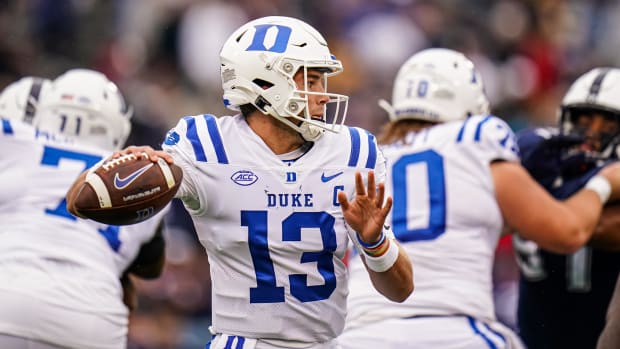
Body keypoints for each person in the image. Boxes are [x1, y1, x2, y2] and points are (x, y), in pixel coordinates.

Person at [66, 16, 413, 349]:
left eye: (321, 81)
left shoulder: (353, 152)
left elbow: (401, 290)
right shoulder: (207, 146)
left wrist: (374, 242)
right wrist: (119, 165)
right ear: (264, 84)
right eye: (309, 80)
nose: (322, 95)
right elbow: (81, 199)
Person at [338, 48, 620, 349]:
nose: (590, 135)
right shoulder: (476, 140)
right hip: (455, 329)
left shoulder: (371, 158)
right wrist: (604, 183)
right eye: (583, 122)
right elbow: (568, 231)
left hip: (358, 332)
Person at [0, 69, 167, 349]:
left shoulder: (13, 137)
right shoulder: (139, 173)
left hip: (8, 292)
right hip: (93, 318)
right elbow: (151, 266)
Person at [513, 67, 620, 349]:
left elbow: (577, 224)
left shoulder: (536, 176)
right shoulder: (535, 155)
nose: (592, 135)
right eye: (583, 121)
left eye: (609, 125)